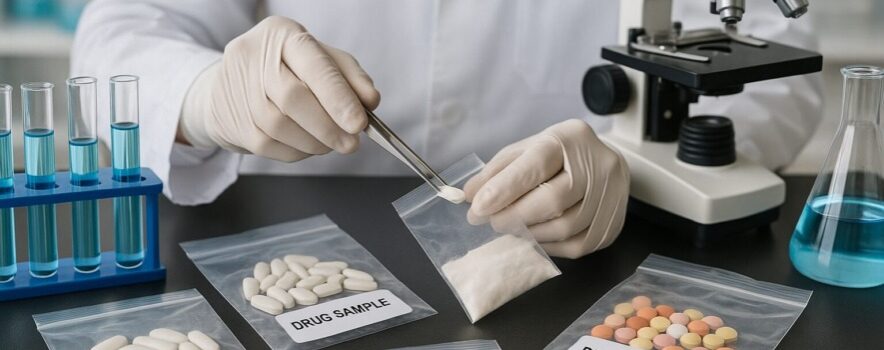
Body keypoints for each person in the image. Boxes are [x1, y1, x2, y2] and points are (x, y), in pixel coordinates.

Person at [70, 0, 821, 259]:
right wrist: (203, 96)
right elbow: (125, 31)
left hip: (581, 248)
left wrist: (637, 164)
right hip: (288, 220)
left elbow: (771, 54)